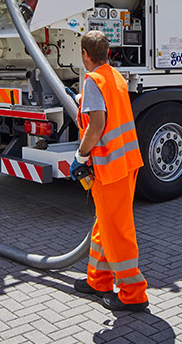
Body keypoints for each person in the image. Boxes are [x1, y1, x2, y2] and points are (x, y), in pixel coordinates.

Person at [70, 30, 148, 312]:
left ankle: (133, 293)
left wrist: (81, 155)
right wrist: (82, 98)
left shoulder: (93, 81)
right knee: (105, 224)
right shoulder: (114, 76)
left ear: (85, 55)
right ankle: (98, 280)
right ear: (108, 53)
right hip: (127, 162)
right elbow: (109, 105)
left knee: (117, 230)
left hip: (110, 166)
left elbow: (98, 123)